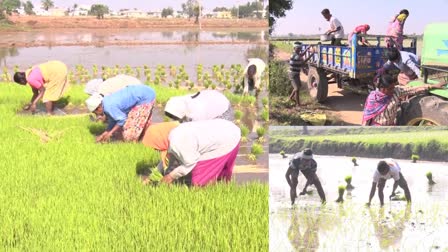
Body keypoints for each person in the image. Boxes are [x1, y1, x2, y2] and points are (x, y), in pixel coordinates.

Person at [160, 119, 241, 186]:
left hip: (226, 139)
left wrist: (170, 176)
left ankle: (211, 197)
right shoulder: (173, 135)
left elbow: (190, 163)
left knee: (199, 181)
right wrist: (162, 173)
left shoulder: (177, 144)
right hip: (226, 128)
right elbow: (170, 160)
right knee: (218, 178)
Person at [362, 74, 446, 126]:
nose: (393, 90)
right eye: (390, 89)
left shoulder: (396, 91)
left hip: (391, 127)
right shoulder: (373, 99)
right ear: (382, 89)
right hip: (377, 129)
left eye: (393, 87)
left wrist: (433, 86)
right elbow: (367, 117)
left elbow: (413, 89)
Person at [85, 85, 156, 143]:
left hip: (145, 97)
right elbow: (113, 120)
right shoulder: (105, 102)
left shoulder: (109, 107)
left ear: (98, 108)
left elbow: (122, 119)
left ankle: (141, 141)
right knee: (137, 124)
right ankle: (144, 140)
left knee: (128, 135)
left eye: (95, 112)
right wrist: (105, 133)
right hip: (145, 93)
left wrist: (110, 133)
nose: (97, 115)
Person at [164, 90, 234, 122]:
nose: (173, 119)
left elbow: (197, 130)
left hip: (223, 108)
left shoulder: (195, 115)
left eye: (174, 117)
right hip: (212, 98)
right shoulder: (180, 101)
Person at [288, 42, 313, 107]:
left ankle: (290, 98)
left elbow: (301, 54)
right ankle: (298, 104)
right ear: (294, 48)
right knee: (296, 88)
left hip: (296, 73)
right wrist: (311, 54)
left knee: (298, 87)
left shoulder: (296, 54)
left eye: (300, 48)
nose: (299, 49)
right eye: (297, 48)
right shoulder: (295, 56)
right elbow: (303, 63)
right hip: (292, 74)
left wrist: (307, 48)